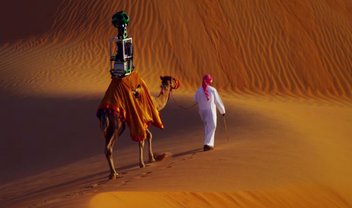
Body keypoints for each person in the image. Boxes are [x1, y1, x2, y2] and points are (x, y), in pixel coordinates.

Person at [194, 74, 226, 151]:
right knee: (212, 126)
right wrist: (222, 111)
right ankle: (208, 144)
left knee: (207, 126)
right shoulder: (212, 90)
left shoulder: (198, 90)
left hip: (202, 112)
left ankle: (207, 143)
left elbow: (195, 99)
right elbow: (217, 101)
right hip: (210, 111)